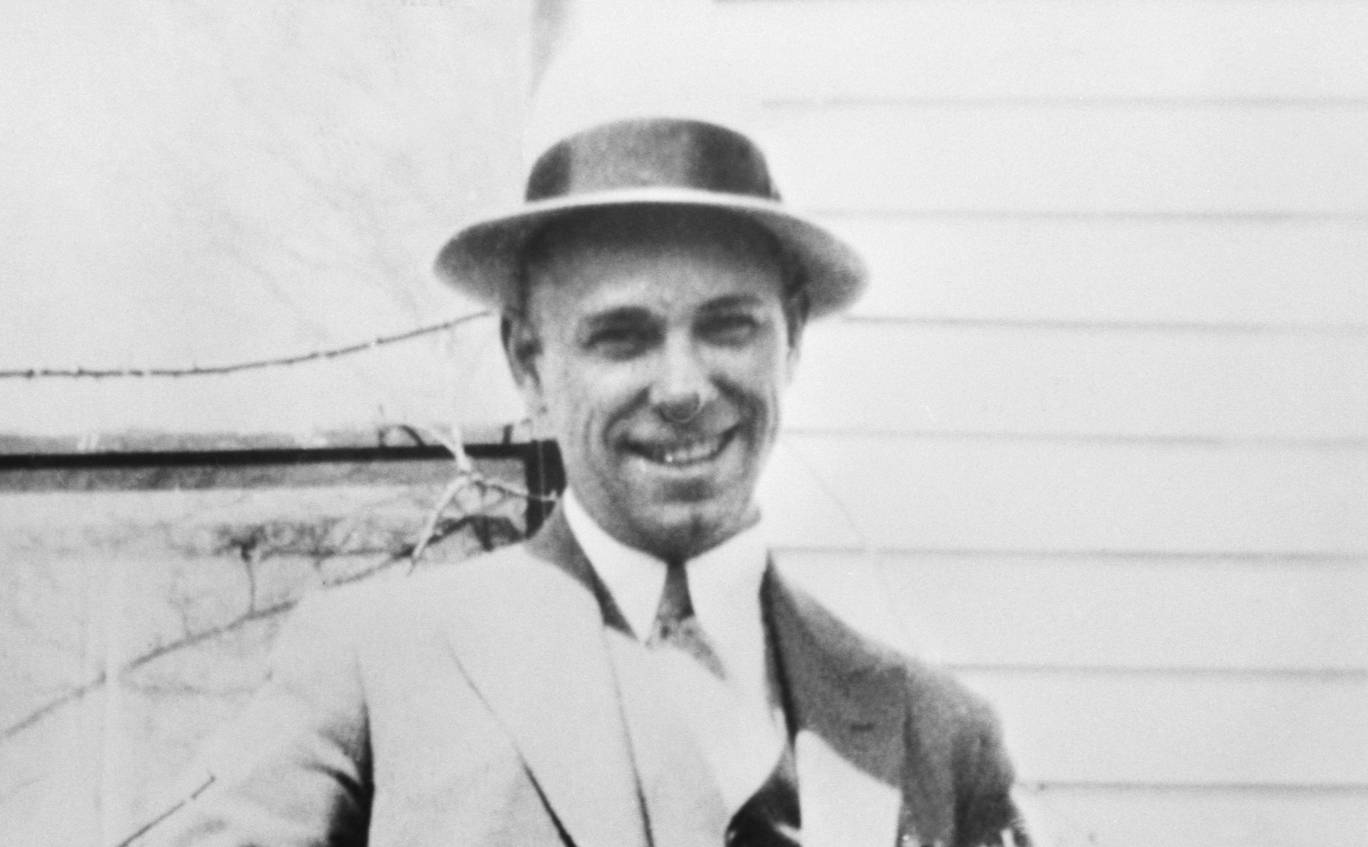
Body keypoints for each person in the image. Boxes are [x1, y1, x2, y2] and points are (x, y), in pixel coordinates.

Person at [151, 116, 1030, 847]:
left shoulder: (934, 733)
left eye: (729, 327)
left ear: (791, 335)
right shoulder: (377, 668)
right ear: (528, 360)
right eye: (623, 337)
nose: (684, 387)